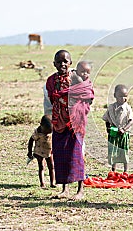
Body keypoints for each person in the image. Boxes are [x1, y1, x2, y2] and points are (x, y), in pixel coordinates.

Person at [46, 50, 94, 200]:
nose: (62, 64)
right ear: (54, 64)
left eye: (65, 61)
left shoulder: (76, 78)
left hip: (75, 123)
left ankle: (80, 190)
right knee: (60, 154)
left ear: (70, 63)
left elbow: (88, 93)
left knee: (77, 154)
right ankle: (64, 189)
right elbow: (51, 98)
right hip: (59, 121)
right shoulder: (51, 81)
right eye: (59, 62)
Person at [102, 84, 133, 172]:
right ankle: (113, 171)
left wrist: (124, 129)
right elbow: (106, 119)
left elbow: (131, 121)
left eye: (125, 96)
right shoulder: (111, 107)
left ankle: (125, 171)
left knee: (124, 151)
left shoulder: (127, 108)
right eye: (121, 96)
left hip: (124, 133)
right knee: (113, 152)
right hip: (113, 133)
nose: (124, 98)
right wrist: (108, 129)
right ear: (115, 96)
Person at [27, 115, 56, 188]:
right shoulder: (38, 132)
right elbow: (31, 141)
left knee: (51, 166)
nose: (46, 133)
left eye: (49, 132)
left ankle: (52, 183)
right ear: (41, 125)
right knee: (41, 166)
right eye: (45, 131)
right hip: (39, 151)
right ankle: (42, 183)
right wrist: (29, 152)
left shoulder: (52, 131)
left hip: (49, 151)